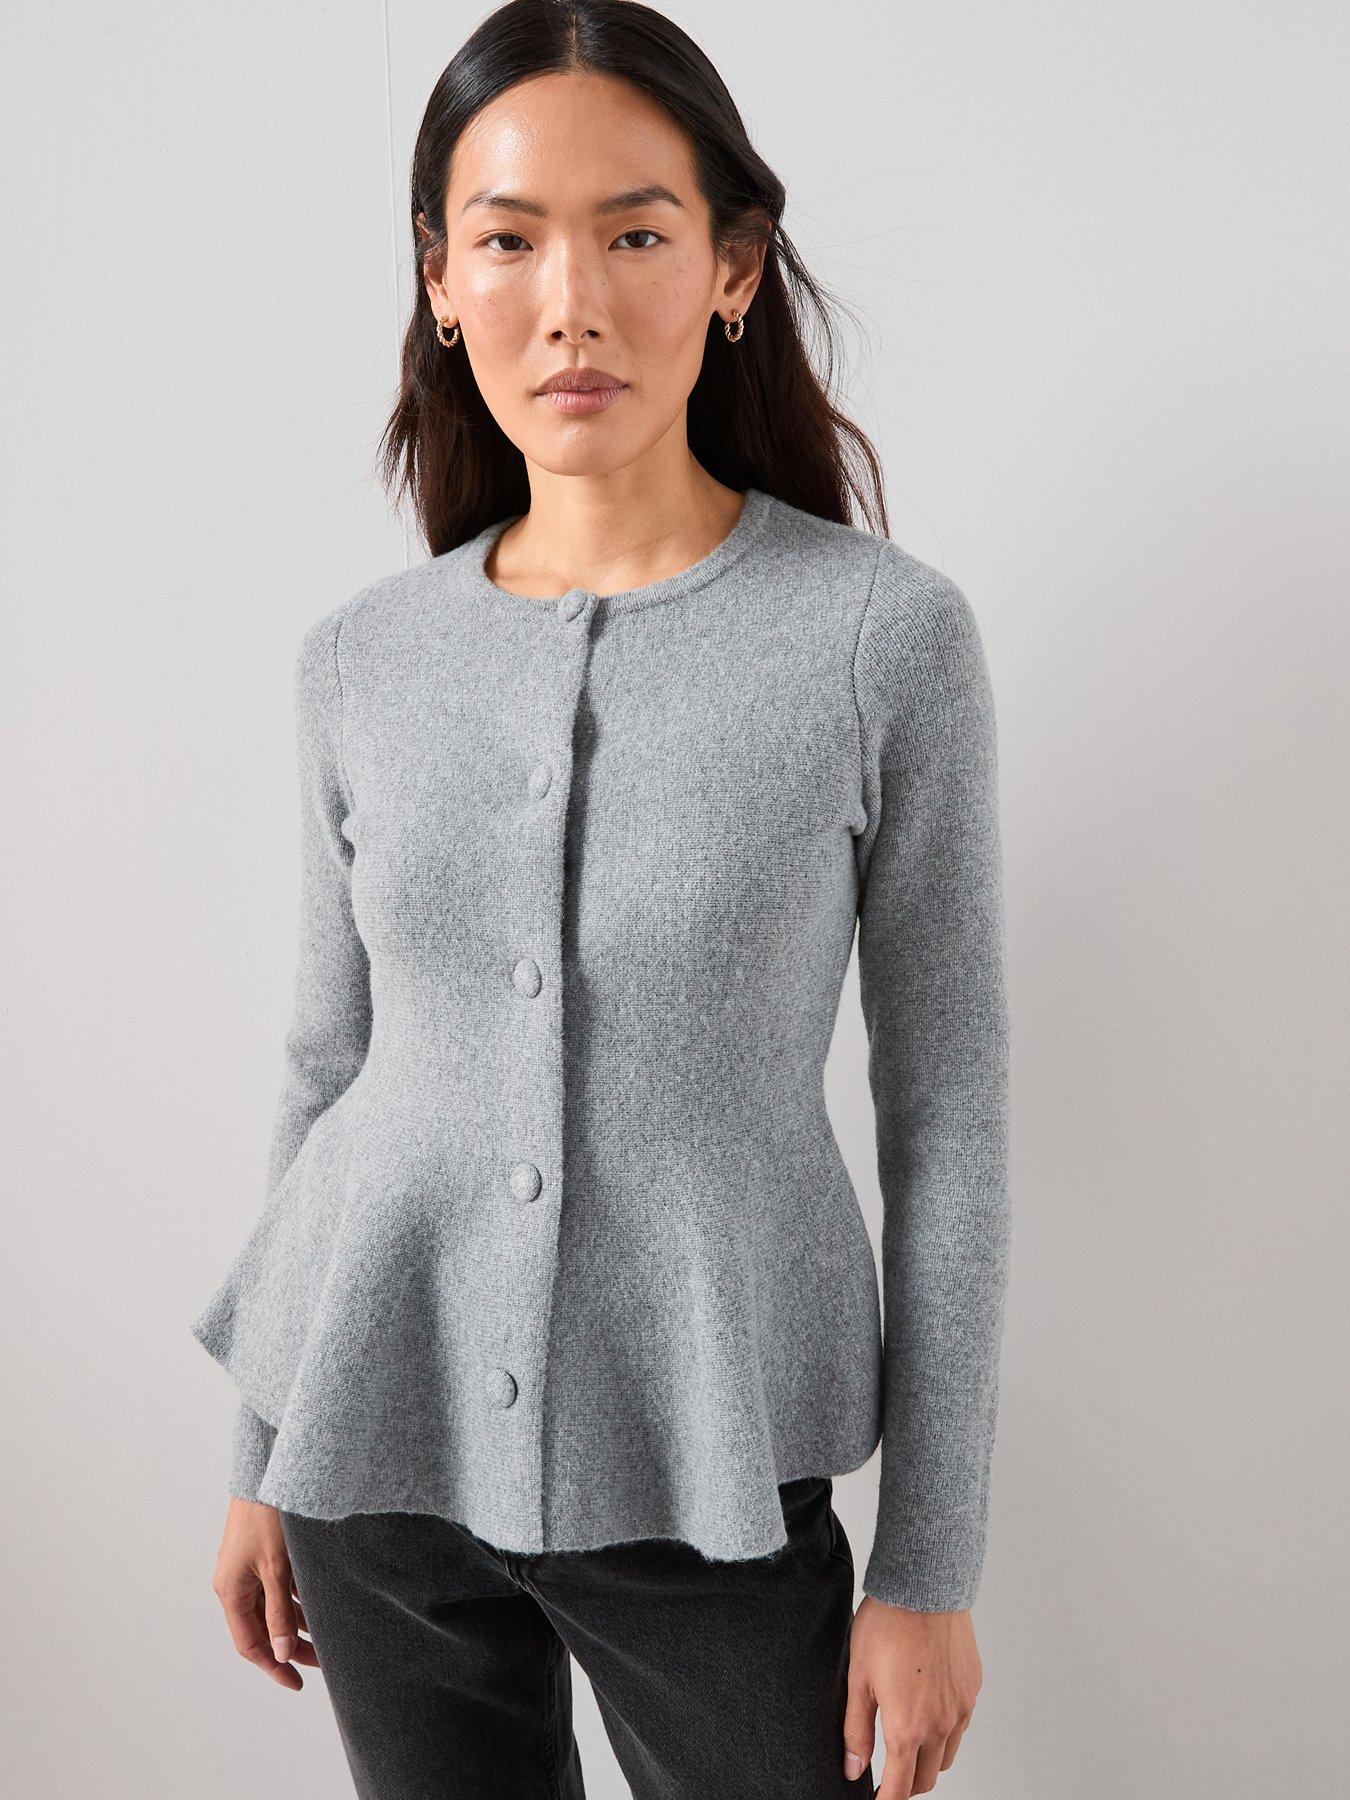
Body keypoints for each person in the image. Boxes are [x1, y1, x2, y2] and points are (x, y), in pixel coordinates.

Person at [191, 5, 1013, 1797]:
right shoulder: (361, 660)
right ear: (440, 280)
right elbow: (328, 1066)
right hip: (369, 1462)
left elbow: (948, 1119)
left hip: (708, 1466)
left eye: (634, 234)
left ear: (732, 268)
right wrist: (266, 1451)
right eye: (507, 241)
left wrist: (928, 1566)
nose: (569, 303)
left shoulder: (877, 640)